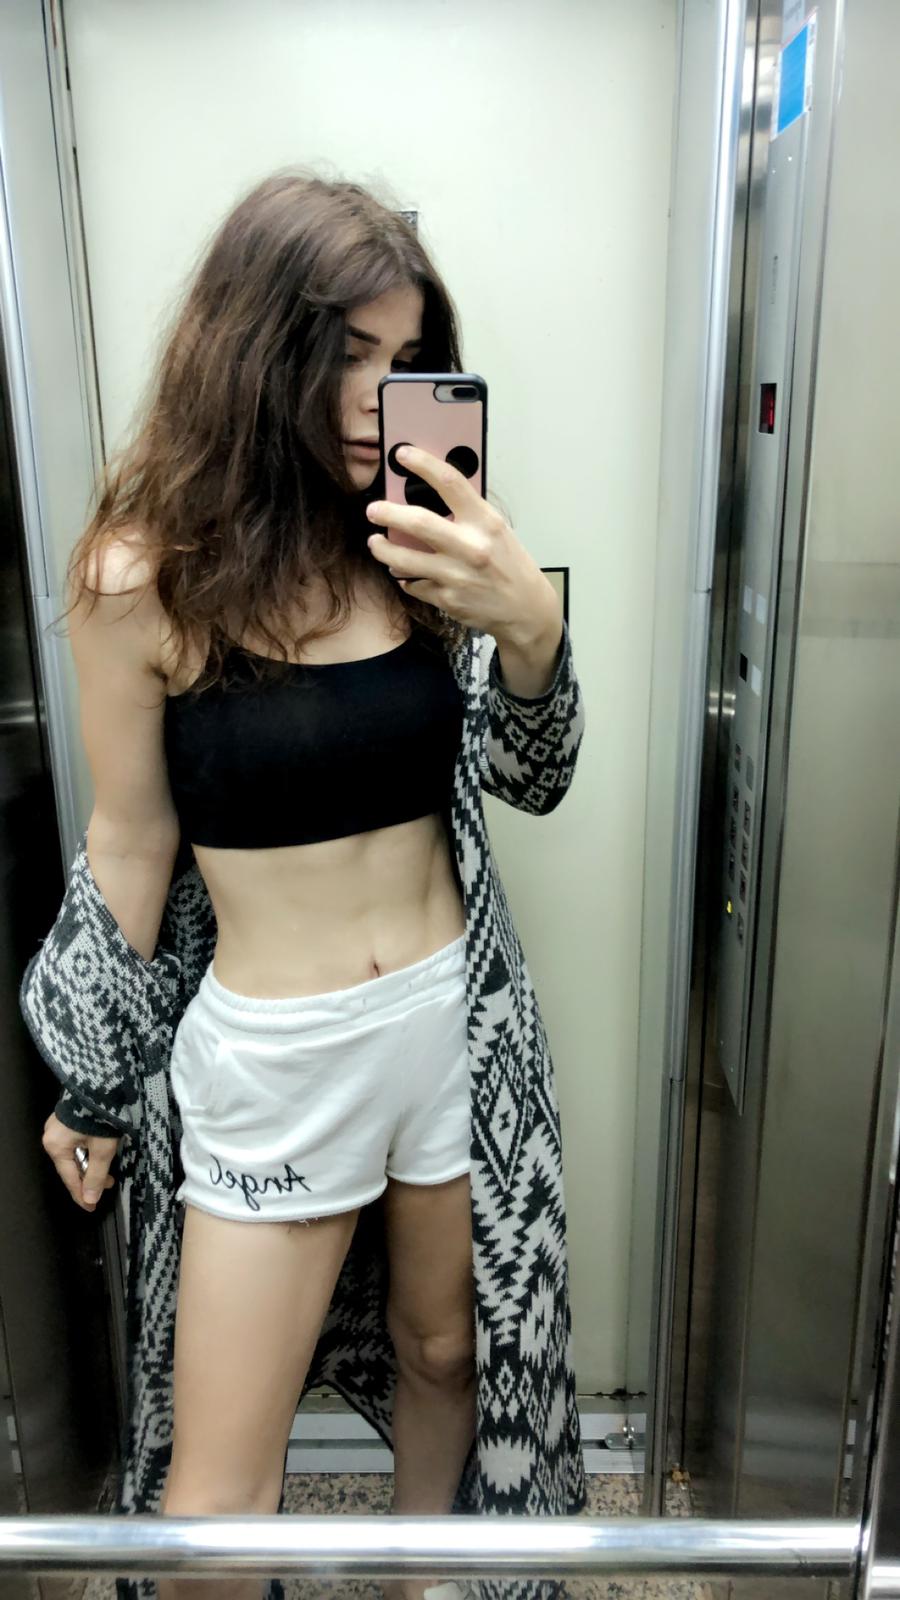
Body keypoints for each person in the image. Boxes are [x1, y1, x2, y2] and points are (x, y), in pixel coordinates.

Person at [31, 171, 587, 1600]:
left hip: (455, 1029)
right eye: (343, 351)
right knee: (218, 1490)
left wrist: (533, 631)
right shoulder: (141, 575)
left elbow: (531, 777)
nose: (374, 393)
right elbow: (130, 842)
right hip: (275, 1062)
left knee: (447, 1354)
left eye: (404, 357)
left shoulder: (422, 544)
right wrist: (92, 1079)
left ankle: (420, 1587)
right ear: (251, 343)